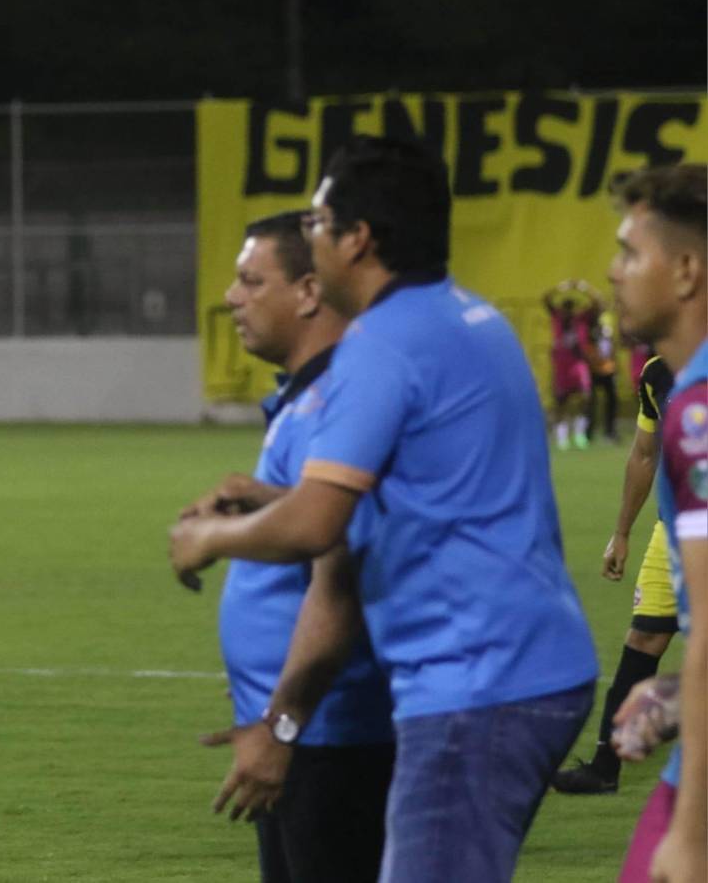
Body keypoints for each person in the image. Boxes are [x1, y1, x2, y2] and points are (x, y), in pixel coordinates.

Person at [169, 135, 598, 883]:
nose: (310, 233)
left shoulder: (381, 344)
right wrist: (276, 496)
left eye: (318, 220)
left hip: (474, 685)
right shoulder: (470, 318)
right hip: (529, 668)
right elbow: (432, 493)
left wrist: (210, 536)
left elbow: (318, 530)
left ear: (357, 239)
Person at [182, 211, 394, 882]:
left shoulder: (340, 396)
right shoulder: (303, 398)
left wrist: (280, 725)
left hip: (325, 733)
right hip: (295, 725)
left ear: (307, 291)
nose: (231, 298)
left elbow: (343, 559)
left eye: (250, 281)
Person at [604, 163, 706, 883]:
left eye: (628, 253)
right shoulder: (680, 397)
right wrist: (676, 691)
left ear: (684, 271)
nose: (612, 272)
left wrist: (692, 835)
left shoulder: (697, 413)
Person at [553, 354, 676, 795]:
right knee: (644, 638)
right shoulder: (657, 374)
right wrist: (621, 533)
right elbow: (645, 454)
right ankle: (606, 764)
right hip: (675, 532)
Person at [543, 279, 599, 449]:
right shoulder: (557, 318)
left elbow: (598, 302)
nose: (568, 311)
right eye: (566, 308)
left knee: (586, 396)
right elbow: (546, 298)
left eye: (571, 308)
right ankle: (562, 435)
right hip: (561, 364)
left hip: (578, 363)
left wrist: (584, 288)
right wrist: (561, 287)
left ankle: (580, 433)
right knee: (561, 401)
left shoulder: (581, 320)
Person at [586, 303, 620, 442]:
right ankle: (588, 432)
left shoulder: (608, 324)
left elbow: (612, 346)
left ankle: (610, 431)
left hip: (608, 369)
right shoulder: (590, 327)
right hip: (594, 369)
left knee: (611, 401)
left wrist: (615, 365)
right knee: (591, 401)